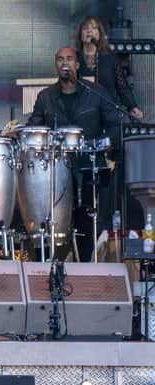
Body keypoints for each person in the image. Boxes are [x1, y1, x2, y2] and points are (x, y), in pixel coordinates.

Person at [27, 47, 121, 261]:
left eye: (69, 59)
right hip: (55, 172)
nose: (64, 63)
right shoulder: (45, 97)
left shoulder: (95, 93)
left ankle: (87, 264)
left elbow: (115, 127)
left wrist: (97, 144)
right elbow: (34, 131)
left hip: (88, 168)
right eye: (60, 59)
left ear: (77, 64)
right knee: (49, 219)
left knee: (86, 220)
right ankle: (46, 266)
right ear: (56, 65)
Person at [76, 16, 144, 120]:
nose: (89, 31)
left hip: (107, 111)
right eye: (85, 28)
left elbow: (121, 85)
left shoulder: (110, 57)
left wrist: (132, 106)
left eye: (94, 28)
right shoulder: (74, 58)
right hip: (83, 112)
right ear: (81, 35)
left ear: (100, 34)